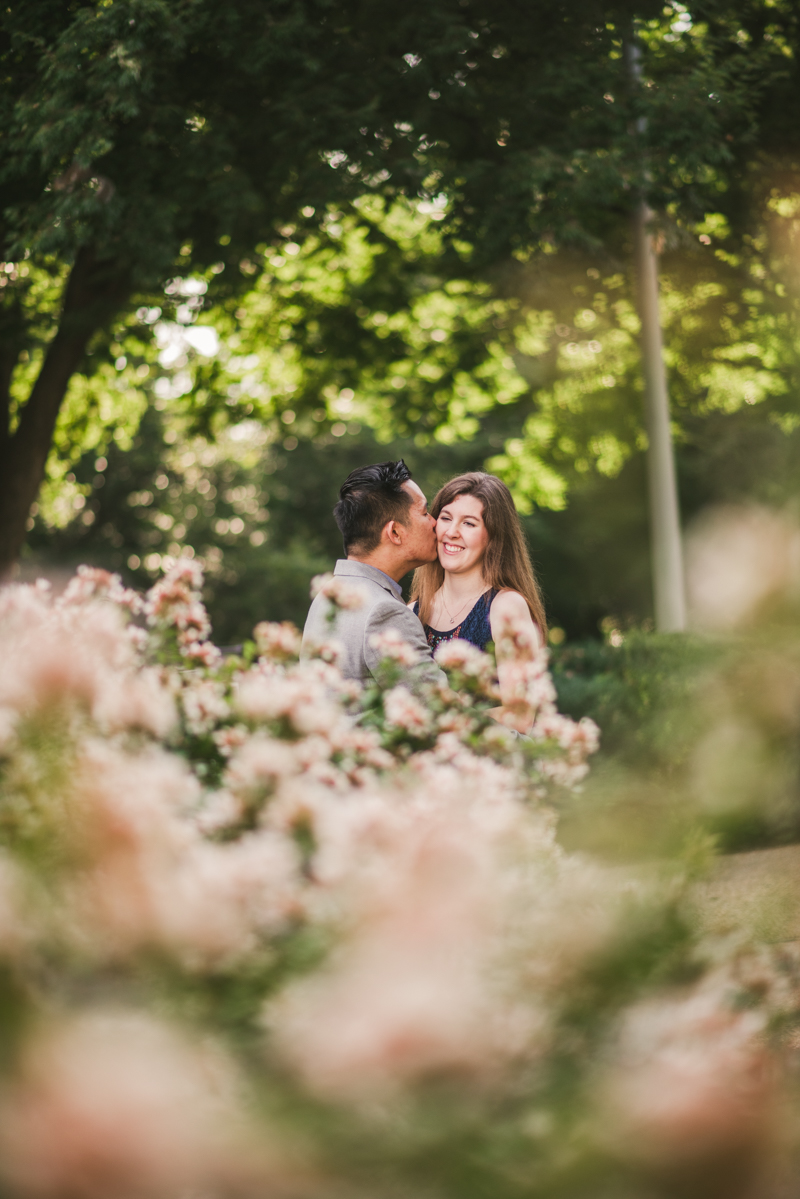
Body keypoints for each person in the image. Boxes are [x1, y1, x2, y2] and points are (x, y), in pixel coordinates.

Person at [409, 471, 547, 728]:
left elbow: (521, 716)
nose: (451, 532)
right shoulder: (412, 612)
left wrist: (440, 724)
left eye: (469, 524)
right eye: (446, 518)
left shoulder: (506, 607)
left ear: (493, 537)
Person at [302, 460, 446, 690]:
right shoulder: (384, 611)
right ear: (395, 532)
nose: (434, 522)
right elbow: (439, 709)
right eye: (425, 512)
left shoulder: (327, 595)